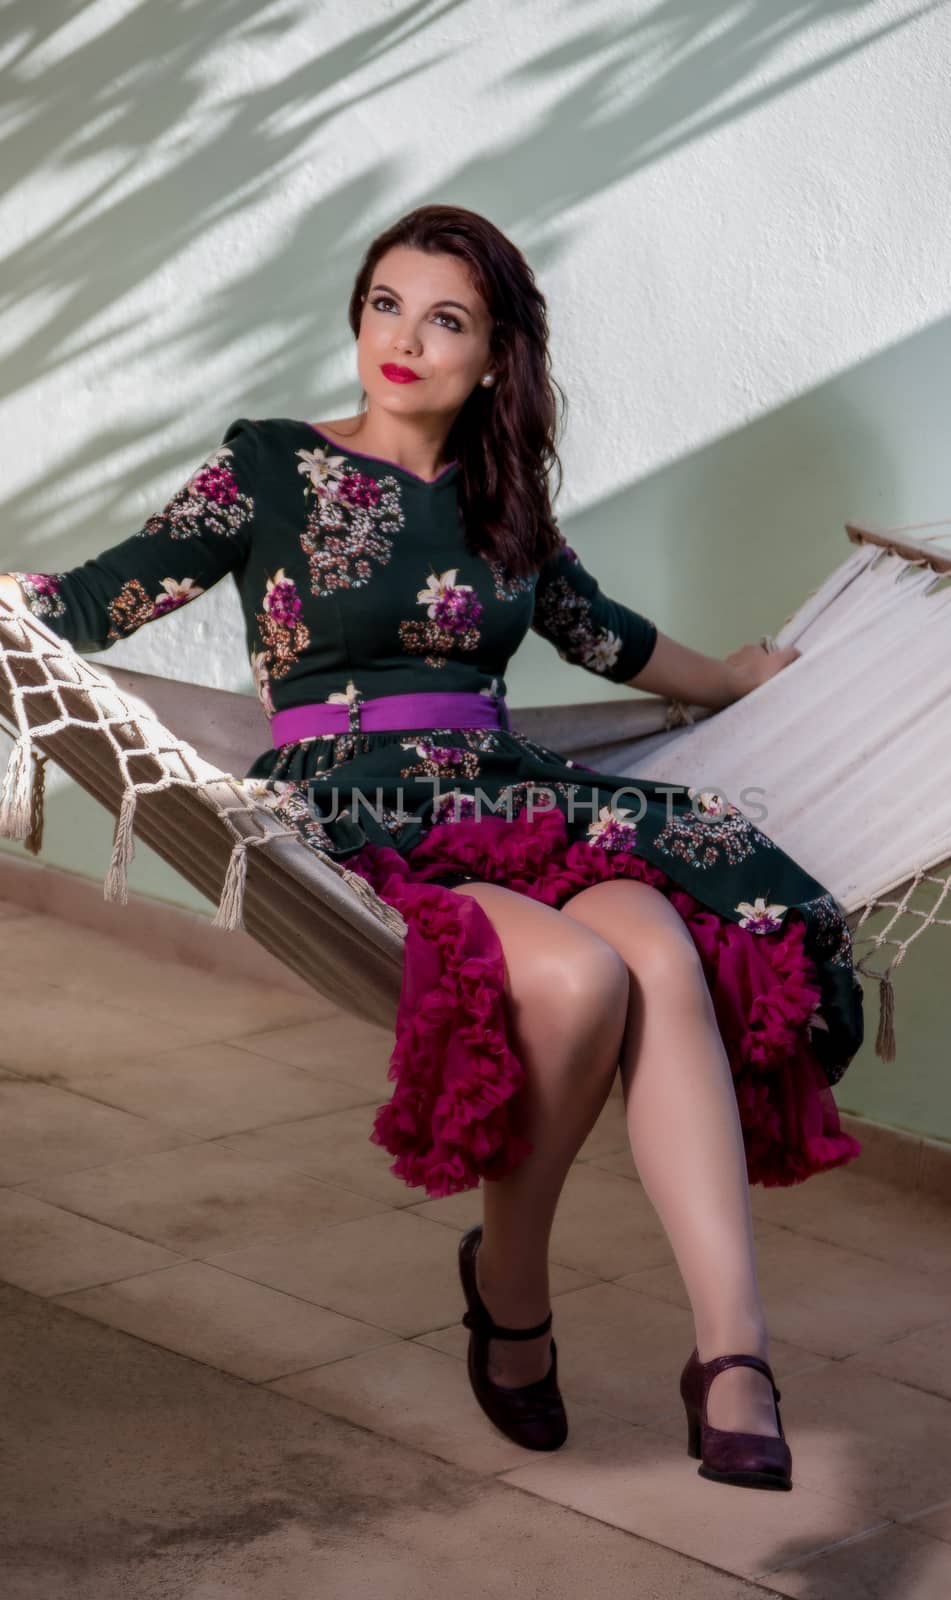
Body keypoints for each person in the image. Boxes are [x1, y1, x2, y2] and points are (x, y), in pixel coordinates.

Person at [0, 203, 863, 1490]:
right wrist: (20, 612)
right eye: (385, 305)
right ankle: (510, 1295)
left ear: (493, 354)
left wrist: (730, 679)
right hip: (354, 798)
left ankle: (731, 1352)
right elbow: (112, 588)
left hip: (510, 789)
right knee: (579, 981)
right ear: (356, 317)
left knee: (669, 955)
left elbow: (601, 634)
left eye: (445, 318)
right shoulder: (270, 466)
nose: (404, 339)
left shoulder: (501, 496)